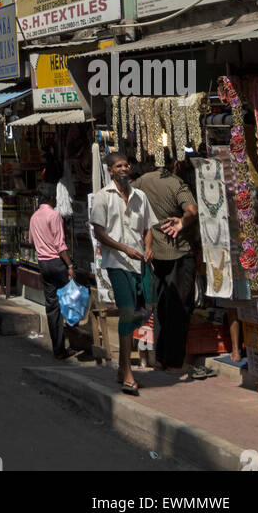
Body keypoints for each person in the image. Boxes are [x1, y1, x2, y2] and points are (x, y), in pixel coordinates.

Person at [91, 151, 155, 396]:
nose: (124, 168)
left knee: (142, 311)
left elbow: (148, 226)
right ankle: (128, 371)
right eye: (118, 165)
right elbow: (99, 232)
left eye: (126, 164)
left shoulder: (140, 196)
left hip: (140, 263)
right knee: (128, 312)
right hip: (117, 262)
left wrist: (148, 247)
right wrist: (124, 248)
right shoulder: (102, 197)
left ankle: (122, 366)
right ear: (110, 170)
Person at [132, 154, 200, 378]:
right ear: (175, 164)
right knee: (179, 308)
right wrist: (182, 221)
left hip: (156, 255)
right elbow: (191, 210)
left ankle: (160, 359)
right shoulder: (175, 183)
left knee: (162, 307)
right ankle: (173, 361)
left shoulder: (141, 182)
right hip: (178, 253)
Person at [28, 187, 76, 360]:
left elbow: (31, 241)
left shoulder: (34, 217)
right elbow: (60, 245)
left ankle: (58, 348)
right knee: (70, 299)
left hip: (43, 263)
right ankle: (73, 337)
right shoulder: (53, 215)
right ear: (50, 199)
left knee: (52, 306)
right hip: (56, 262)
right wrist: (69, 265)